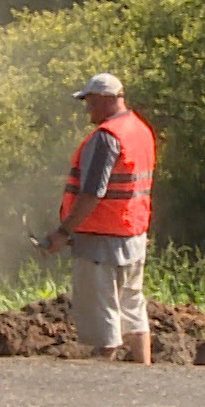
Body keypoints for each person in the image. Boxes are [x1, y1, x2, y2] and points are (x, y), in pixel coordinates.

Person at [45, 73, 156, 364]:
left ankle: (102, 385)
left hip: (100, 241)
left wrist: (64, 231)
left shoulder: (107, 137)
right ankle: (146, 373)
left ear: (107, 100)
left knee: (103, 317)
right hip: (133, 235)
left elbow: (93, 192)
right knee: (132, 308)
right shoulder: (140, 129)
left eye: (91, 102)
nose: (87, 110)